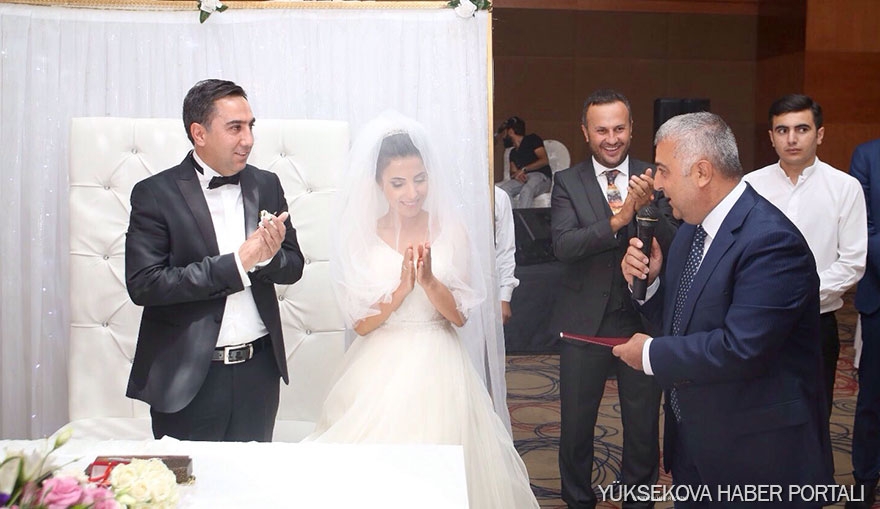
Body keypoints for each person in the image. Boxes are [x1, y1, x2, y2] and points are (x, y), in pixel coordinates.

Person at [304, 112, 539, 509]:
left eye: (419, 179)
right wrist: (401, 289)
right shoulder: (363, 235)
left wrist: (429, 282)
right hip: (378, 366)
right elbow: (361, 324)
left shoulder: (452, 229)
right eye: (398, 183)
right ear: (379, 184)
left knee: (445, 474)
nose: (411, 192)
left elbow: (460, 317)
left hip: (441, 362)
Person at [615, 112, 834, 506]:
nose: (657, 185)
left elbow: (741, 348)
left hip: (758, 460)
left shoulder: (771, 242)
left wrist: (649, 354)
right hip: (697, 444)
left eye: (663, 170)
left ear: (702, 172)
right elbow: (683, 322)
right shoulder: (691, 232)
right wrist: (651, 285)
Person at [125, 79, 305, 442]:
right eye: (235, 128)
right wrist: (238, 263)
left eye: (250, 126)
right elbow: (145, 284)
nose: (248, 139)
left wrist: (265, 260)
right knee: (190, 478)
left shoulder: (267, 184)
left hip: (259, 375)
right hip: (188, 378)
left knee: (252, 478)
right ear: (199, 133)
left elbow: (294, 265)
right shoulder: (154, 194)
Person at [550, 89, 677, 509]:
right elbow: (565, 246)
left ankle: (638, 502)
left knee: (643, 429)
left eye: (619, 128)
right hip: (583, 323)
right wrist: (621, 218)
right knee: (576, 429)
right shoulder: (567, 182)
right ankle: (577, 501)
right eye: (601, 130)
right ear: (585, 132)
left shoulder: (655, 176)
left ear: (632, 129)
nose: (611, 138)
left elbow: (677, 241)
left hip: (642, 320)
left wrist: (649, 210)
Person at [744, 94, 866, 422]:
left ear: (819, 134)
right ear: (771, 137)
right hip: (759, 321)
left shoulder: (845, 187)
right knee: (758, 414)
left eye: (802, 129)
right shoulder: (750, 186)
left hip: (816, 321)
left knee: (813, 416)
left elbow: (853, 261)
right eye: (782, 130)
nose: (792, 139)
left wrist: (802, 294)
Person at [847, 137, 880, 509]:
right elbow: (864, 228)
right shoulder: (868, 156)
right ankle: (865, 478)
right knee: (872, 398)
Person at [497, 116, 552, 208]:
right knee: (504, 190)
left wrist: (524, 169)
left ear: (510, 131)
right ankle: (512, 217)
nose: (504, 136)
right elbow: (513, 172)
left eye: (505, 133)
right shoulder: (513, 152)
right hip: (523, 179)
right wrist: (517, 175)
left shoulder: (532, 139)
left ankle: (522, 217)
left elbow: (544, 160)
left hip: (540, 176)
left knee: (527, 190)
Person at [495, 185, 519, 324]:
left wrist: (504, 296)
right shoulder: (442, 193)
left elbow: (505, 249)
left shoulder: (498, 197)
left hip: (487, 288)